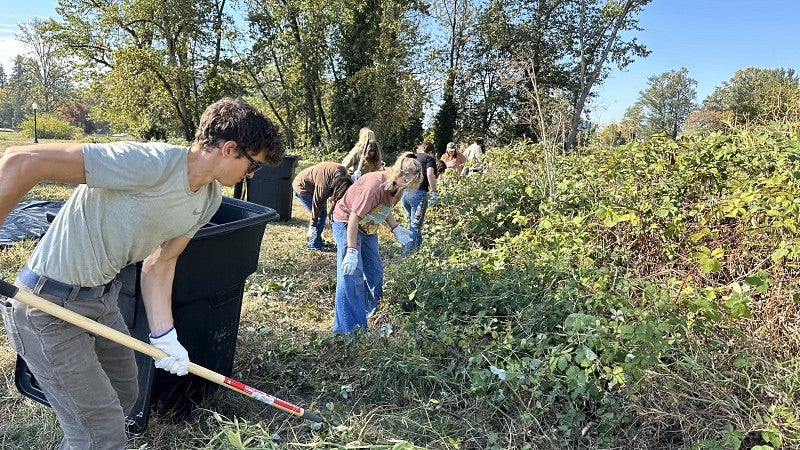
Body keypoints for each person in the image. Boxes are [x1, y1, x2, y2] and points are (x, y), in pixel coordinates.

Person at [0, 97, 284, 449]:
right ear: (229, 149)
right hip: (46, 304)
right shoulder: (149, 163)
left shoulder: (208, 198)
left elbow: (161, 262)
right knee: (102, 432)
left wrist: (165, 335)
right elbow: (22, 161)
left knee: (124, 394)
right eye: (253, 165)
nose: (251, 175)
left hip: (102, 299)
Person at [330, 153, 422, 334]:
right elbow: (354, 216)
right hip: (347, 223)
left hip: (369, 226)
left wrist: (395, 228)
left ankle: (369, 311)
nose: (407, 186)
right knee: (351, 274)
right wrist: (351, 250)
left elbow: (384, 207)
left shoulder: (398, 187)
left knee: (375, 271)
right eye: (406, 181)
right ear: (399, 173)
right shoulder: (374, 185)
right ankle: (349, 329)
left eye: (411, 184)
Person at [292, 162, 353, 250]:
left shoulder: (343, 173)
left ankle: (320, 240)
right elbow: (316, 205)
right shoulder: (323, 187)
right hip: (303, 186)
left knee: (329, 213)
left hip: (318, 182)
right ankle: (313, 243)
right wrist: (312, 226)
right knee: (321, 214)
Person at [401, 142, 438, 254]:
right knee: (415, 226)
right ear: (431, 151)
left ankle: (416, 250)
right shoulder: (429, 159)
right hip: (418, 194)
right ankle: (406, 254)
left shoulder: (412, 158)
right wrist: (434, 191)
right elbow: (430, 174)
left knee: (412, 223)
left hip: (405, 194)